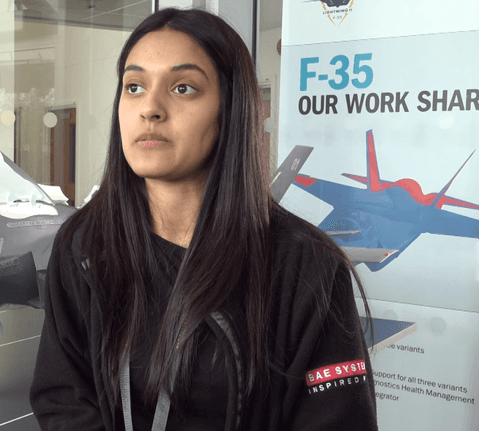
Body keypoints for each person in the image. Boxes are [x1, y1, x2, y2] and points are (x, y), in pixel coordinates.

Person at [30, 7, 377, 431]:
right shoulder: (84, 245)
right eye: (134, 86)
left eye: (182, 88)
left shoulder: (305, 267)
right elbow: (63, 399)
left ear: (229, 110)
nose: (150, 108)